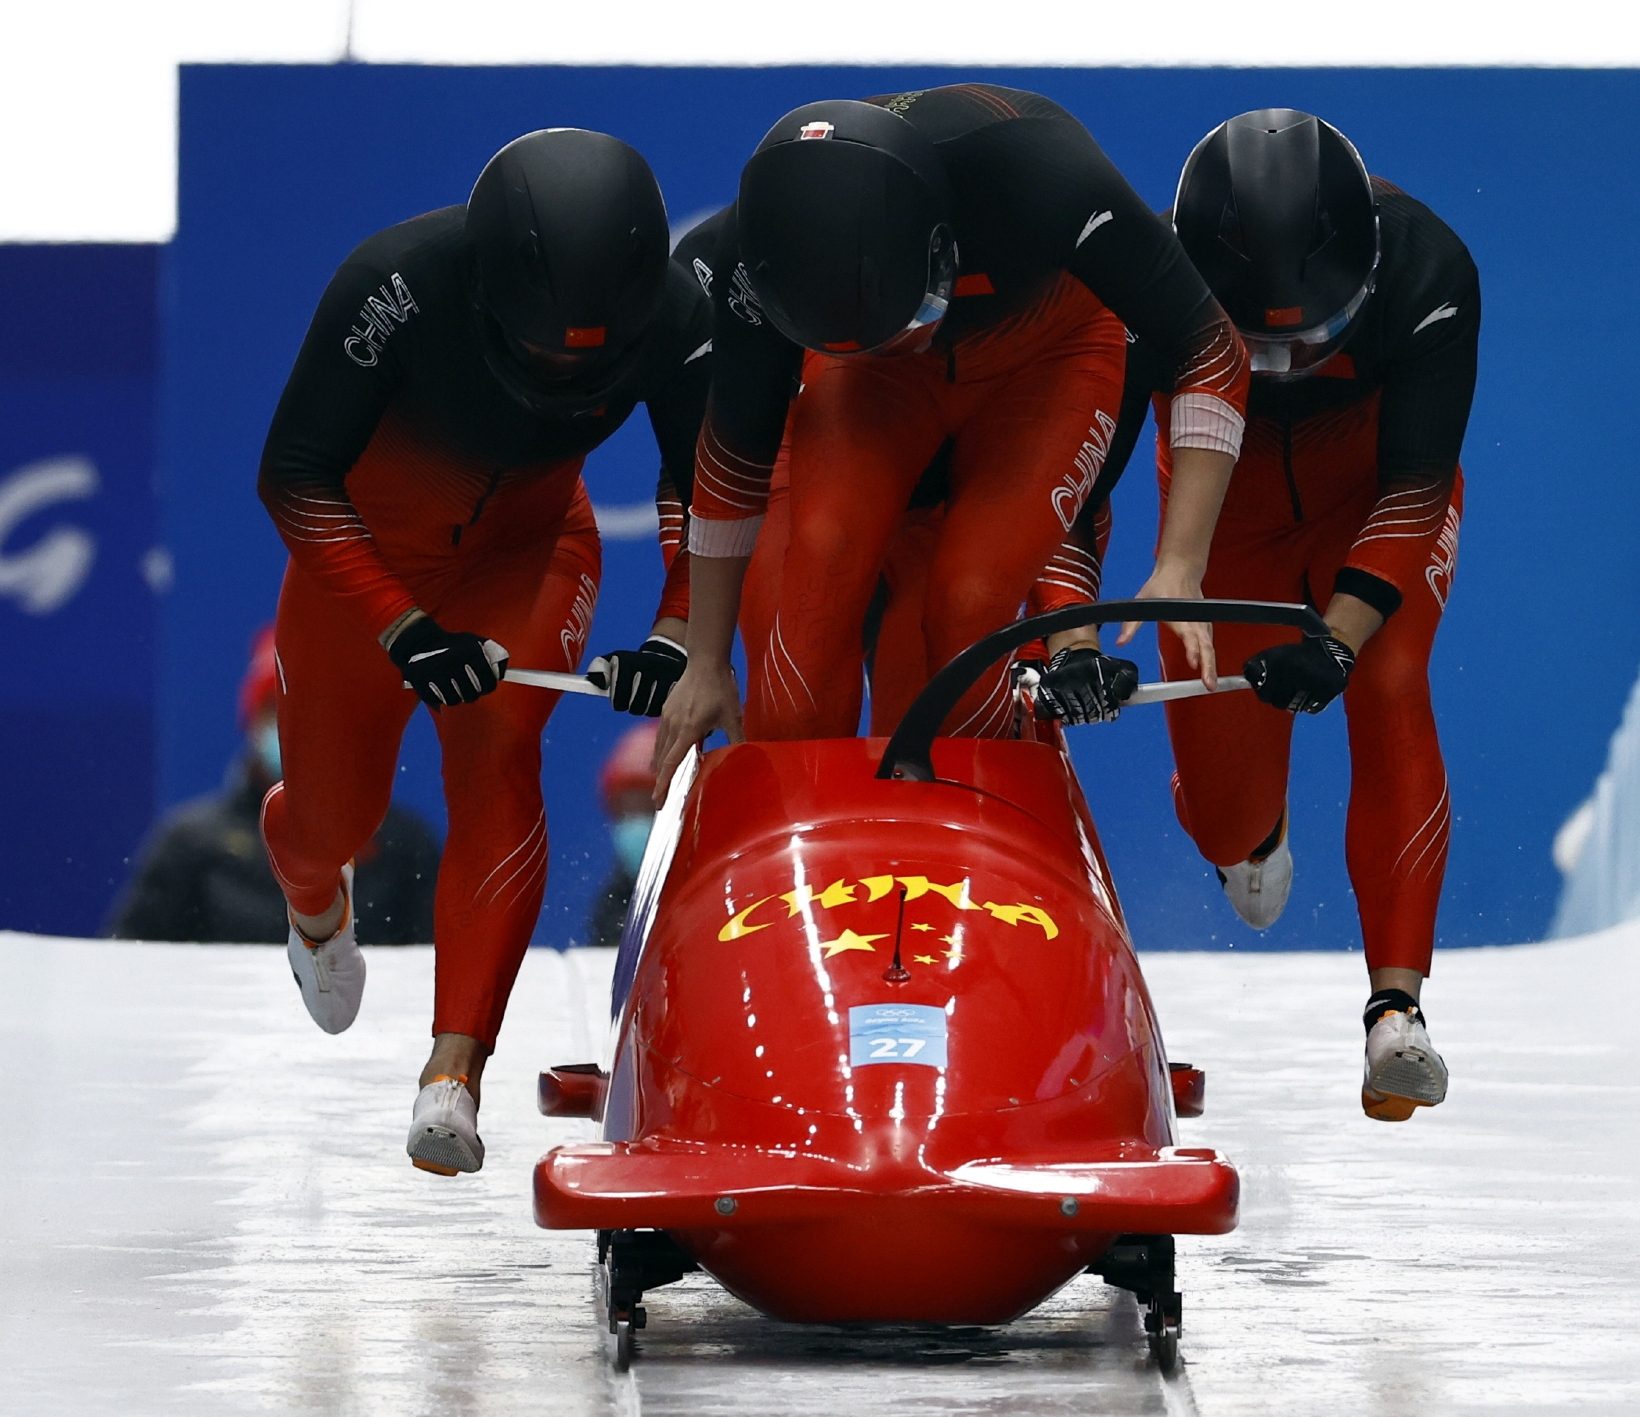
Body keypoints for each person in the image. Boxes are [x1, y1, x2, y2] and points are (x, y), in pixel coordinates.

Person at [256, 128, 710, 1175]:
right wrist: (400, 624)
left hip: (530, 549)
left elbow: (707, 485)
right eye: (543, 348)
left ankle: (451, 1076)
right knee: (334, 820)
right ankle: (314, 899)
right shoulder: (391, 285)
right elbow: (294, 478)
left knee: (499, 746)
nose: (566, 372)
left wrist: (674, 631)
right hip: (363, 572)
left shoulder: (677, 313)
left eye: (590, 359)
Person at [655, 84, 1249, 782]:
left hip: (1047, 358)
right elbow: (734, 458)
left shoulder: (1045, 173)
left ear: (941, 247)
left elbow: (1212, 348)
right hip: (873, 380)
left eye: (910, 316)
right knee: (820, 568)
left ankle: (982, 800)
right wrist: (705, 661)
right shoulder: (749, 263)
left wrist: (1182, 560)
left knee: (970, 601)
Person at [1120, 110, 1479, 1122]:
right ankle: (1250, 830)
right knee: (1225, 821)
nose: (1282, 366)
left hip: (1370, 503)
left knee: (1389, 677)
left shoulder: (1429, 271)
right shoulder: (1142, 283)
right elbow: (1088, 470)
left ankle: (1395, 1010)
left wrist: (1337, 635)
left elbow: (1414, 489)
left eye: (1312, 341)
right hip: (1221, 514)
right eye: (1252, 350)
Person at [109, 627, 439, 943]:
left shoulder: (402, 844)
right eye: (276, 709)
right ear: (251, 720)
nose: (293, 727)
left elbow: (430, 968)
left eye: (310, 710)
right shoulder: (190, 842)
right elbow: (133, 961)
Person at [588, 721, 658, 947]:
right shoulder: (613, 906)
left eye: (649, 807)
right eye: (628, 811)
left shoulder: (720, 887)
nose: (637, 823)